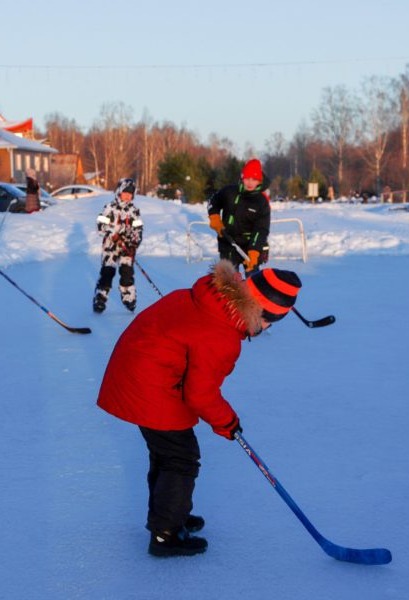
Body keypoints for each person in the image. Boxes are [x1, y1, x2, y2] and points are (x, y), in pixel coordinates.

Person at [97, 260, 302, 557]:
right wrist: (227, 422)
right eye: (270, 321)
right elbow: (200, 394)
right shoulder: (221, 335)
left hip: (142, 372)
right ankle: (166, 534)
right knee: (181, 458)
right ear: (259, 310)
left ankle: (169, 514)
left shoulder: (209, 298)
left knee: (166, 453)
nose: (265, 328)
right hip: (150, 384)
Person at [207, 158, 271, 275]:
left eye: (254, 179)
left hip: (250, 247)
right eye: (247, 178)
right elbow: (213, 201)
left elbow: (261, 229)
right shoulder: (229, 192)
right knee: (228, 283)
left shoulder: (261, 202)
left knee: (252, 283)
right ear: (242, 177)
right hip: (228, 243)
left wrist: (254, 251)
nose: (250, 182)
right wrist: (215, 218)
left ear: (260, 181)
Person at [93, 178, 143, 313]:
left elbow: (138, 229)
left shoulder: (134, 211)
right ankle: (100, 298)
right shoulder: (110, 208)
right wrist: (112, 233)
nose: (127, 196)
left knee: (127, 273)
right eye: (125, 192)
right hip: (110, 247)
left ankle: (129, 298)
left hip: (127, 248)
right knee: (107, 273)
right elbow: (100, 225)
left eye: (130, 193)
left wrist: (133, 242)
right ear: (119, 192)